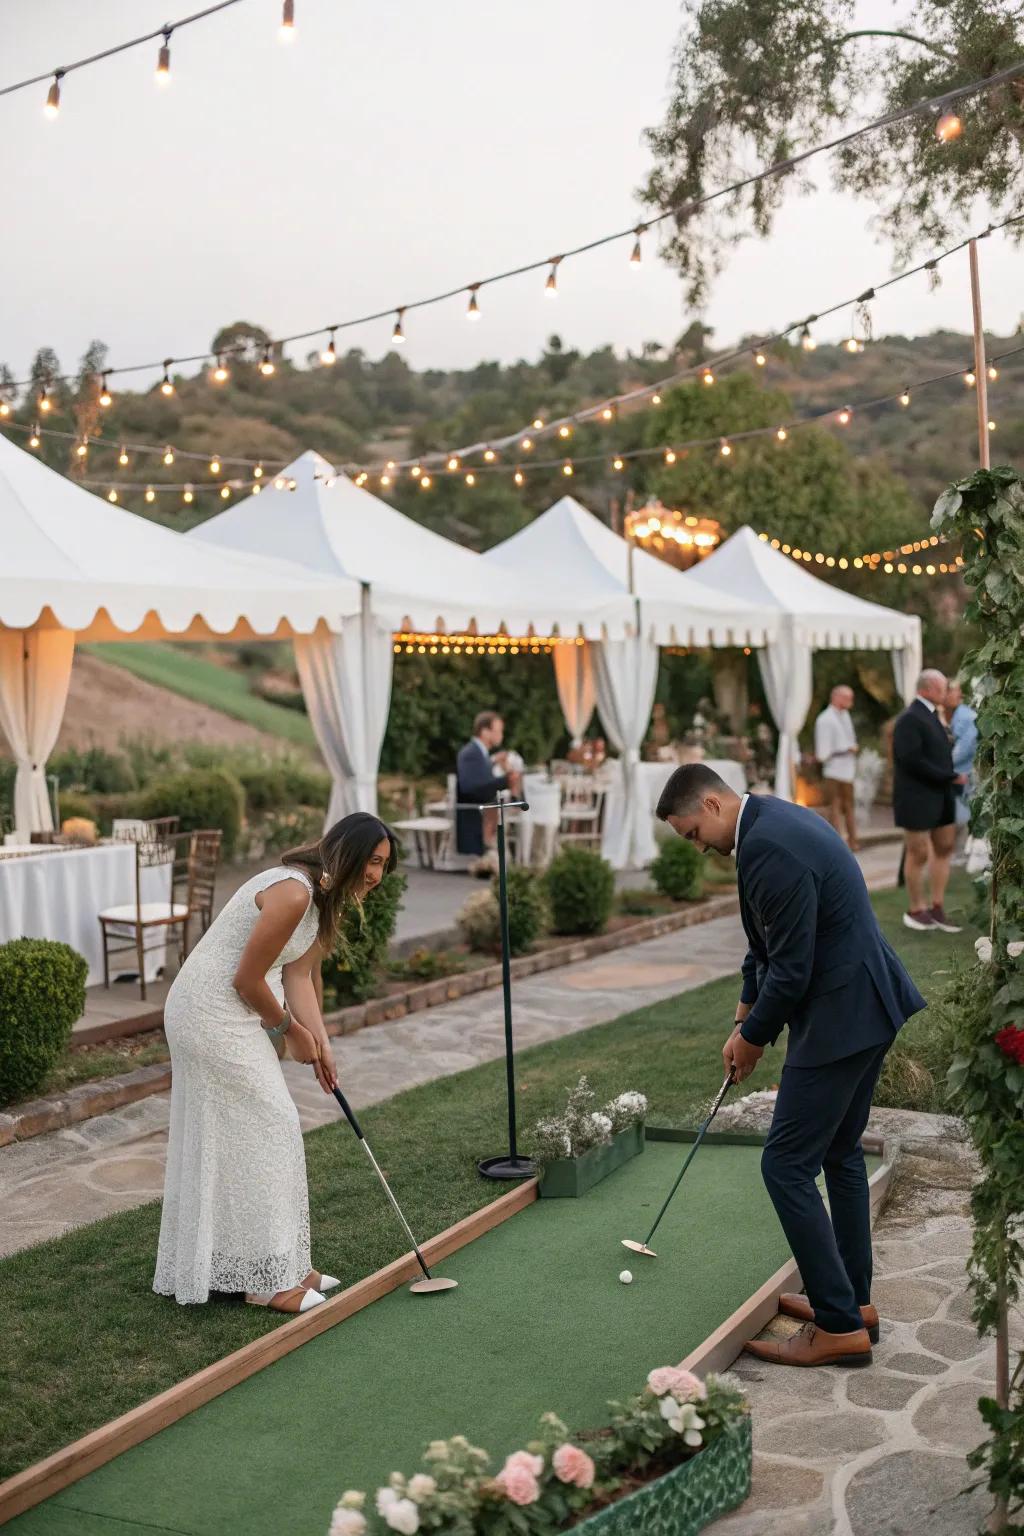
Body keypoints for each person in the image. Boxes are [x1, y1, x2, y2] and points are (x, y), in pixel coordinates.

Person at [655, 765, 925, 1368]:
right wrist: (745, 1011)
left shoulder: (768, 846)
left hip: (841, 1015)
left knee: (785, 1165)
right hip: (866, 1004)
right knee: (840, 1152)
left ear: (712, 802)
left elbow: (794, 968)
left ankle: (837, 1325)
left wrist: (753, 1040)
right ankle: (852, 1305)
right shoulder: (768, 824)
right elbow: (766, 941)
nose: (696, 847)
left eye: (692, 832)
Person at [153, 813, 397, 1312]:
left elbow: (300, 977)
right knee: (274, 1123)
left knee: (261, 1130)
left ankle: (285, 1265)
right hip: (207, 1011)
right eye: (372, 861)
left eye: (383, 866)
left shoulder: (326, 903)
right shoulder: (294, 893)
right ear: (346, 853)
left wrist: (322, 1046)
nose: (376, 875)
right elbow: (247, 979)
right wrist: (289, 1032)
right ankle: (266, 1283)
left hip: (234, 1009)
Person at [892, 669, 964, 933]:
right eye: (943, 688)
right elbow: (911, 759)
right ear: (928, 689)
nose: (947, 692)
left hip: (941, 794)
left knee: (944, 846)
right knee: (919, 851)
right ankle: (916, 908)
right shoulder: (910, 718)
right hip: (917, 796)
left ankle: (937, 906)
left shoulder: (935, 716)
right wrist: (949, 776)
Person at [455, 710, 522, 868]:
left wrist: (493, 763)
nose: (501, 735)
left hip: (486, 814)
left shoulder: (480, 753)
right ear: (485, 732)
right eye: (498, 731)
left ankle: (504, 860)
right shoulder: (471, 753)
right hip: (475, 816)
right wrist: (507, 780)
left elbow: (481, 779)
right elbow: (471, 788)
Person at [813, 685, 860, 850]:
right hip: (833, 770)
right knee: (834, 805)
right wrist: (846, 749)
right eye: (847, 698)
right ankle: (837, 843)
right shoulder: (825, 720)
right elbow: (822, 753)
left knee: (849, 806)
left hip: (848, 770)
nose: (850, 702)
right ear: (836, 697)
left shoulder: (845, 716)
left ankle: (853, 840)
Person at [944, 679, 978, 835]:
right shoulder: (942, 715)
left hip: (965, 779)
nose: (958, 693)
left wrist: (939, 766)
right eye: (952, 690)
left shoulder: (967, 717)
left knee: (962, 825)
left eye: (957, 690)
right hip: (949, 779)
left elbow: (964, 749)